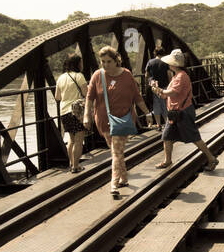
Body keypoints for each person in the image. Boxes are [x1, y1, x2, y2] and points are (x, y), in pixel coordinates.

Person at [84, 47, 150, 197]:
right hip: (104, 120)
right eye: (103, 62)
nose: (105, 65)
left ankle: (114, 184)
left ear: (116, 61)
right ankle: (124, 178)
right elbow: (89, 97)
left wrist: (147, 113)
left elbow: (137, 97)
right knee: (117, 151)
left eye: (109, 61)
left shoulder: (126, 75)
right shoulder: (97, 75)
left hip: (124, 119)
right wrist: (86, 115)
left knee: (116, 151)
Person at [149, 50, 218, 172]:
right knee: (167, 137)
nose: (168, 64)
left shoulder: (182, 76)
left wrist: (159, 90)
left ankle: (211, 158)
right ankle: (167, 160)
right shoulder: (176, 75)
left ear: (174, 64)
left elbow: (172, 92)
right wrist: (157, 90)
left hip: (183, 112)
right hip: (175, 113)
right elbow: (166, 96)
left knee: (194, 137)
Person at [54, 52, 89, 174]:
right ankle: (76, 166)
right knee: (79, 139)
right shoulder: (79, 76)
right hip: (77, 111)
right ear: (78, 64)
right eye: (81, 62)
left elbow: (57, 97)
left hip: (64, 112)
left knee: (71, 139)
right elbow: (86, 93)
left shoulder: (61, 78)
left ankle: (71, 163)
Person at [145, 45, 170, 132]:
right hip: (165, 87)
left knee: (156, 106)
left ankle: (159, 125)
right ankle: (167, 125)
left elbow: (146, 75)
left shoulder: (150, 62)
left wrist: (149, 83)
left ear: (154, 53)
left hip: (154, 87)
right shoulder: (165, 62)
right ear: (163, 53)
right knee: (165, 105)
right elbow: (169, 75)